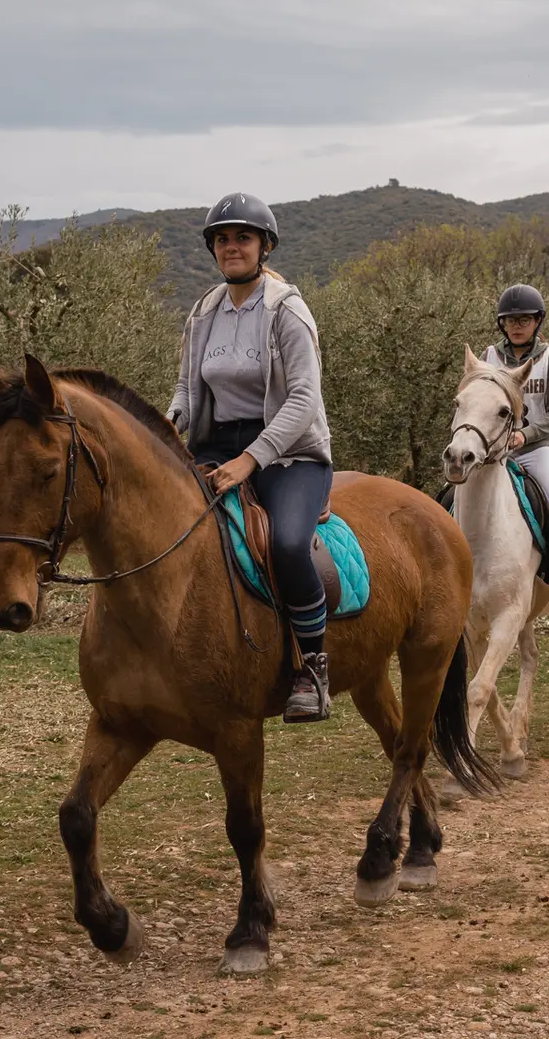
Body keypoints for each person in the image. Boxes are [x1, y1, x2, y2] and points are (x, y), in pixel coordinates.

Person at [167, 192, 335, 723]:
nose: (231, 246)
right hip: (216, 444)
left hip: (291, 454)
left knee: (286, 544)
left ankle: (311, 666)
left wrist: (251, 460)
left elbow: (304, 400)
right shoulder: (203, 312)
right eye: (222, 238)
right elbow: (185, 387)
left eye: (242, 237)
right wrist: (168, 428)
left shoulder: (287, 309)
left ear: (264, 246)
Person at [484, 283, 549, 599]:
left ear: (537, 321)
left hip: (535, 450)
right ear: (503, 323)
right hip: (495, 449)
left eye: (524, 320)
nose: (517, 326)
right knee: (454, 492)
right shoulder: (489, 356)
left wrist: (525, 434)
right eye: (511, 321)